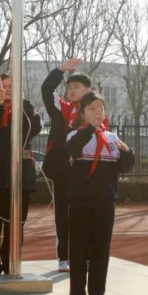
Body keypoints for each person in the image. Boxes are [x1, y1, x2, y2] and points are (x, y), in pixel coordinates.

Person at [65, 91, 134, 295]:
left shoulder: (112, 139)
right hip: (80, 205)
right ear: (83, 112)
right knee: (78, 251)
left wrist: (127, 153)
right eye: (92, 108)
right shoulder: (75, 136)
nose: (97, 112)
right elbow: (72, 150)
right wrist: (91, 130)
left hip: (105, 205)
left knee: (100, 252)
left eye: (100, 108)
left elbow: (125, 167)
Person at [0, 73, 42, 275]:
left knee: (16, 226)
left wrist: (21, 104)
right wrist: (0, 106)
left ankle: (11, 262)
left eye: (12, 86)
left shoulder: (27, 109)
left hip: (21, 179)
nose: (7, 89)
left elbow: (34, 128)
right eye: (2, 86)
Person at [41, 58, 98, 272]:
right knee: (62, 216)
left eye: (77, 87)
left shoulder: (96, 111)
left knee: (85, 215)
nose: (72, 91)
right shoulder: (61, 108)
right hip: (62, 170)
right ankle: (63, 257)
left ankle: (85, 255)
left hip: (86, 172)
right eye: (70, 87)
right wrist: (61, 70)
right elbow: (46, 89)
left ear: (88, 90)